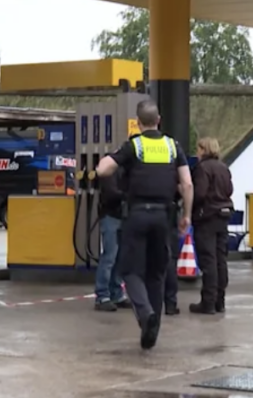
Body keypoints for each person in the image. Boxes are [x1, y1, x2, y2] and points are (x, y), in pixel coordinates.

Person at [96, 99, 193, 350]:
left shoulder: (134, 146)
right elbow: (187, 184)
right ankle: (153, 330)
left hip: (137, 215)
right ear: (158, 120)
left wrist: (112, 158)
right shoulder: (173, 146)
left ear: (138, 123)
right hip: (164, 217)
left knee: (130, 271)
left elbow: (103, 170)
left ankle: (145, 314)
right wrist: (187, 215)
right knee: (157, 273)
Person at [189, 137, 234, 315]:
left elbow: (199, 193)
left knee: (208, 260)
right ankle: (219, 301)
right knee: (220, 259)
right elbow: (229, 190)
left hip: (207, 216)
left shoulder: (202, 168)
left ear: (203, 149)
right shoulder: (224, 167)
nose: (197, 152)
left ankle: (207, 302)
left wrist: (190, 206)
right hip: (223, 215)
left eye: (198, 148)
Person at [94, 169, 131, 312]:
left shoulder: (126, 169)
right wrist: (129, 195)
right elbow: (110, 193)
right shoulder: (110, 170)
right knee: (109, 256)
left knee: (120, 257)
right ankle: (102, 296)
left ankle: (116, 293)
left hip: (123, 216)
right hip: (111, 216)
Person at [164, 192, 182, 316]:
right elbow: (186, 186)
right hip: (170, 211)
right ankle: (170, 303)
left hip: (145, 211)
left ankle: (149, 304)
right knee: (170, 260)